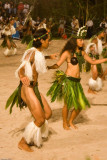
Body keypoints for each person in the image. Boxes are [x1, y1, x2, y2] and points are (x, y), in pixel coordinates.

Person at [5, 28, 57, 152]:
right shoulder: (30, 53)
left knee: (48, 114)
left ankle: (33, 135)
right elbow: (22, 67)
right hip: (27, 88)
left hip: (35, 88)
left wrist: (49, 57)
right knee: (40, 119)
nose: (49, 42)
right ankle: (23, 142)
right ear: (42, 41)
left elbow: (39, 58)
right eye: (48, 40)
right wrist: (22, 76)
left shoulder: (37, 53)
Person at [47, 26, 107, 130]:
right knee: (67, 104)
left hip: (77, 83)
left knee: (80, 105)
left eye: (83, 39)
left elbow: (93, 62)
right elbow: (57, 65)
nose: (82, 42)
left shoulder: (82, 53)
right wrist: (48, 67)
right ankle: (64, 123)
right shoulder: (67, 53)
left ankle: (70, 121)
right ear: (75, 41)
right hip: (68, 81)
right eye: (80, 40)